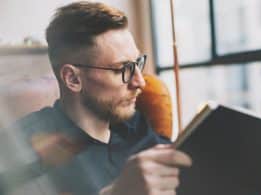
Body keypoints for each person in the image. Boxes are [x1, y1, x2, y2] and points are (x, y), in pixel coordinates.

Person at [0, 1, 191, 195]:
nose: (140, 82)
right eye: (123, 69)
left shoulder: (135, 123)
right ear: (73, 79)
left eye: (137, 63)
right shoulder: (20, 147)